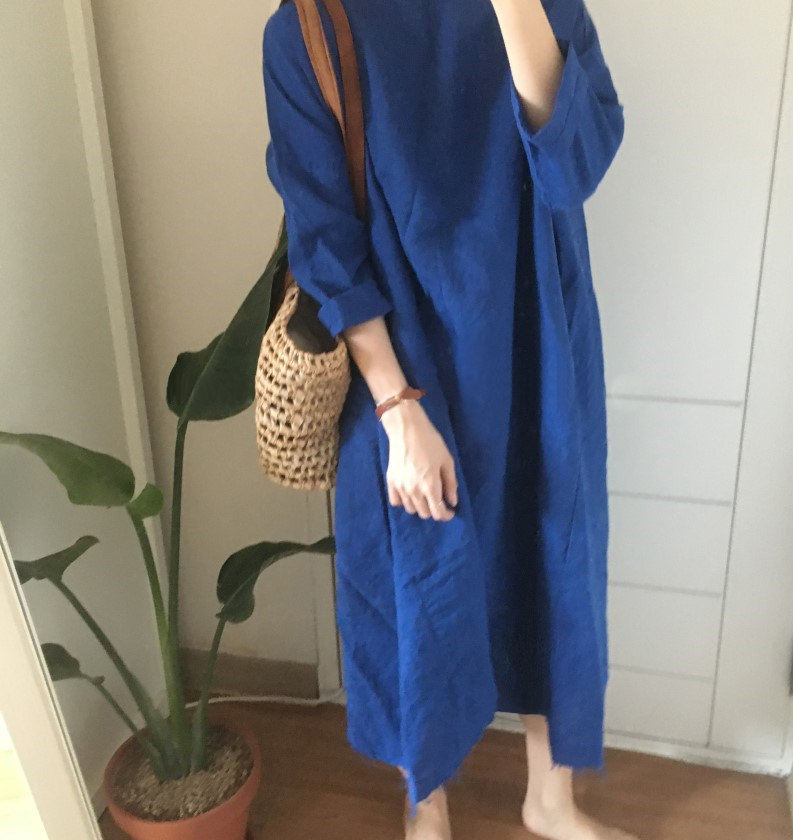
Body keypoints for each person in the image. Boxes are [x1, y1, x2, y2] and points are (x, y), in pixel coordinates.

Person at [262, 0, 631, 836]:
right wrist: (397, 408)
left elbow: (574, 168)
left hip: (537, 334)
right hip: (399, 353)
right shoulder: (309, 26)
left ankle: (551, 799)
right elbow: (324, 239)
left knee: (553, 554)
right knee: (410, 576)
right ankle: (424, 801)